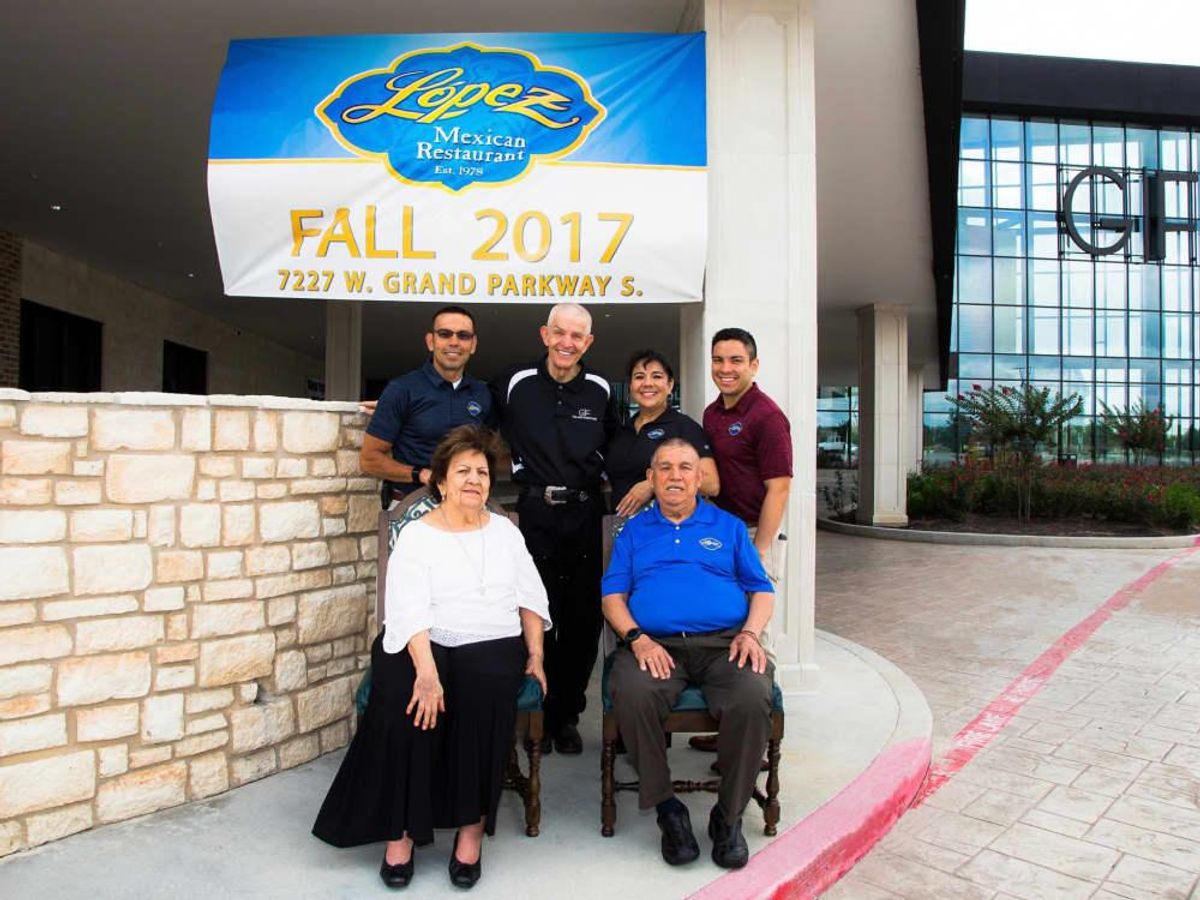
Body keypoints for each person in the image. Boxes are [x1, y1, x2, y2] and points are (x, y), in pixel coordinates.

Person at [313, 425, 550, 891]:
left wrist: (537, 654)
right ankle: (399, 830)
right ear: (441, 481)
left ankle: (471, 829)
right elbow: (408, 608)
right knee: (406, 699)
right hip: (419, 637)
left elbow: (531, 597)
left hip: (491, 637)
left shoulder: (505, 533)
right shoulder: (417, 535)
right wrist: (426, 671)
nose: (474, 480)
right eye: (463, 471)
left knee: (483, 689)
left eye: (482, 472)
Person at [601, 438, 774, 870]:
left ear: (699, 478)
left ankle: (728, 816)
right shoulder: (634, 531)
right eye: (664, 468)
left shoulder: (728, 527)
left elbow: (761, 589)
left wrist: (751, 634)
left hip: (725, 643)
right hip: (655, 644)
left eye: (684, 468)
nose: (674, 476)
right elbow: (612, 595)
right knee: (633, 693)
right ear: (651, 478)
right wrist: (637, 638)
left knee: (752, 696)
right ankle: (668, 809)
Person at [490, 302, 616, 754]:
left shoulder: (601, 389)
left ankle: (566, 716)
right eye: (559, 332)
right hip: (535, 513)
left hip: (585, 513)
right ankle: (536, 715)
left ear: (588, 342)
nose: (567, 342)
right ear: (544, 335)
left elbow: (618, 445)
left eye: (577, 336)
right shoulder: (514, 382)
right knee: (533, 612)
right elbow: (471, 420)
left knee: (582, 621)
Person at [691, 328, 792, 756]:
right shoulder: (712, 413)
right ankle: (727, 730)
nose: (725, 368)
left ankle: (754, 744)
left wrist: (759, 549)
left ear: (754, 365)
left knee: (755, 637)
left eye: (735, 360)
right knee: (725, 632)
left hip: (753, 535)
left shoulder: (767, 417)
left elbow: (779, 488)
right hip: (720, 538)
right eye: (718, 360)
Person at [360, 305, 494, 504]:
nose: (454, 342)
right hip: (412, 505)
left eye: (463, 335)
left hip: (467, 506)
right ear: (431, 341)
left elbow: (491, 453)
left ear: (473, 344)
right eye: (445, 334)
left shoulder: (483, 393)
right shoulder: (402, 389)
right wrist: (420, 474)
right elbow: (369, 460)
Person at [606, 349, 719, 518]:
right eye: (639, 377)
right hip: (623, 527)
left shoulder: (684, 427)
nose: (647, 383)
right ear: (630, 386)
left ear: (670, 385)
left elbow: (711, 484)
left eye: (657, 376)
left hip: (667, 527)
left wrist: (651, 484)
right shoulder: (623, 430)